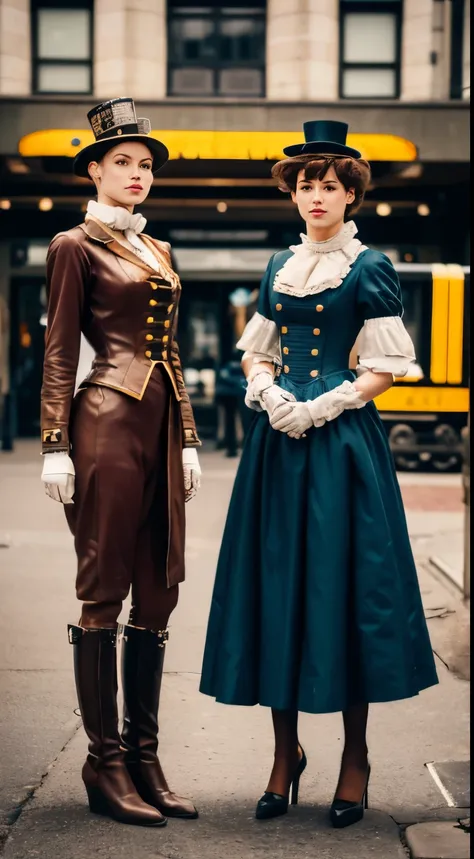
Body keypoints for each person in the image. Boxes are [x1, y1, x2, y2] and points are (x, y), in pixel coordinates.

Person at [199, 121, 438, 829]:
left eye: (329, 184)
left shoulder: (370, 266)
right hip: (278, 445)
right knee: (280, 590)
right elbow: (256, 350)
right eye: (306, 184)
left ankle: (355, 757)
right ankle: (284, 753)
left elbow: (387, 366)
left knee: (346, 590)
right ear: (294, 193)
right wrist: (268, 392)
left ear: (351, 193)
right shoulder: (279, 266)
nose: (317, 195)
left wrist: (325, 404)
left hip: (341, 449)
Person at [40, 98, 202, 827]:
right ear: (95, 169)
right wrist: (54, 444)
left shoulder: (158, 250)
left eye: (146, 166)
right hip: (104, 419)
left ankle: (144, 753)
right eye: (124, 164)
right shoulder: (73, 243)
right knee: (104, 589)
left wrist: (190, 435)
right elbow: (59, 351)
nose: (138, 175)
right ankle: (104, 761)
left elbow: (171, 352)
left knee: (159, 589)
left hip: (161, 425)